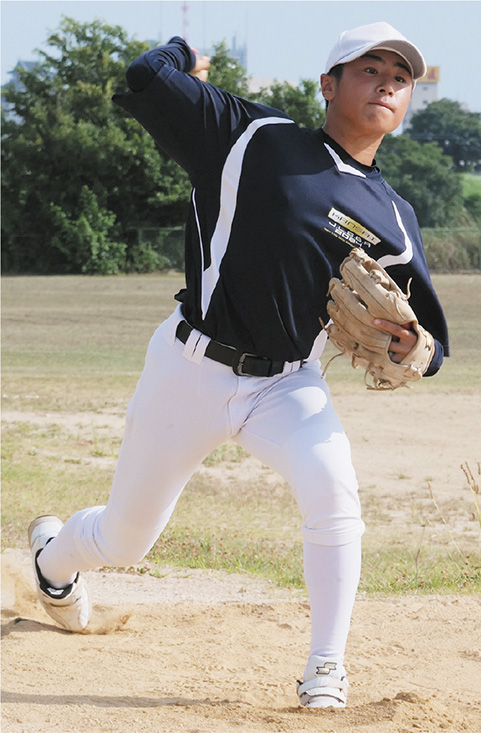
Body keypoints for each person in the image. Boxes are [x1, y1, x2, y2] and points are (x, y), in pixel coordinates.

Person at [27, 21, 448, 709]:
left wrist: (415, 348)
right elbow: (143, 78)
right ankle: (53, 560)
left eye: (398, 77)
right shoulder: (252, 135)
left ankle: (325, 668)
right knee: (127, 537)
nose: (386, 84)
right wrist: (181, 53)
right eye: (368, 69)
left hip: (286, 383)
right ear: (329, 84)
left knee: (335, 497)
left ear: (406, 101)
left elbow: (429, 339)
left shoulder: (394, 217)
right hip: (189, 365)